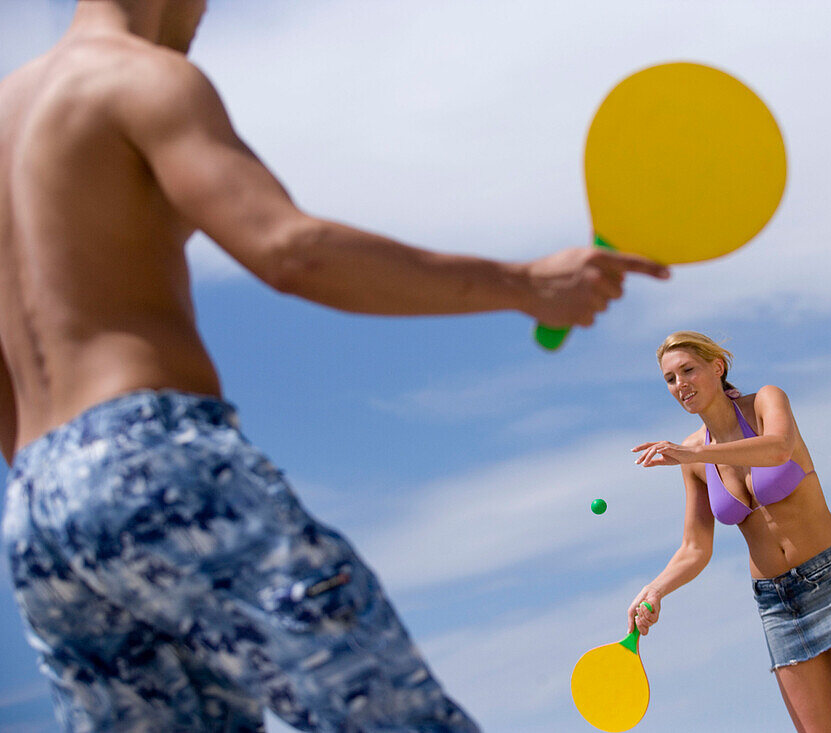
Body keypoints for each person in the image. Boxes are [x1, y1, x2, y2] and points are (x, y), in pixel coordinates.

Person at [0, 1, 670, 730]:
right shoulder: (143, 79)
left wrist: (57, 484)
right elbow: (291, 248)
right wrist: (530, 286)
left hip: (38, 511)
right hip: (153, 460)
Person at [628, 331, 831, 732]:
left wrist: (694, 453)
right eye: (670, 379)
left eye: (687, 370)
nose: (680, 385)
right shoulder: (691, 458)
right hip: (778, 605)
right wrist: (654, 590)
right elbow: (695, 548)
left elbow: (777, 447)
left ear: (717, 366)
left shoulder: (765, 402)